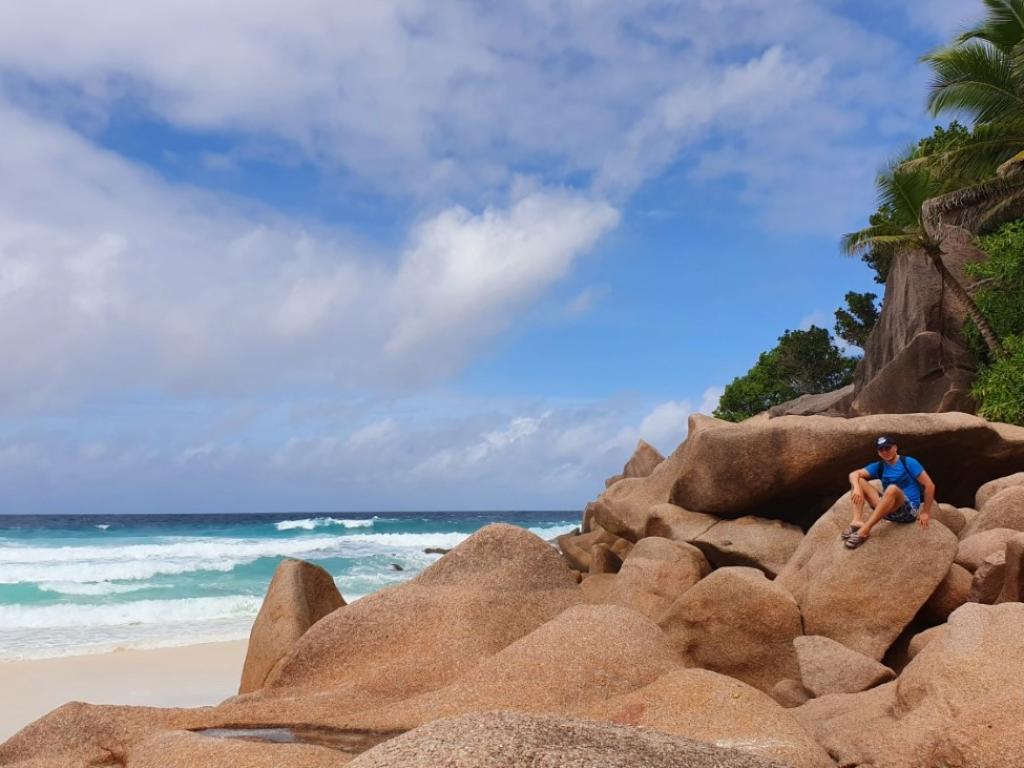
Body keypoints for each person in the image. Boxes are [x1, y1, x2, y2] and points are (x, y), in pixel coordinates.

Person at [843, 436, 935, 549]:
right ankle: (857, 521)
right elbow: (853, 474)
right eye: (881, 449)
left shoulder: (909, 462)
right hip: (886, 510)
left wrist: (925, 512)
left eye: (888, 448)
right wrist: (856, 487)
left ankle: (864, 531)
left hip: (908, 511)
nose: (885, 451)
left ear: (895, 447)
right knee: (858, 480)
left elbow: (929, 486)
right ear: (878, 452)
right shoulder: (879, 466)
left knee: (892, 488)